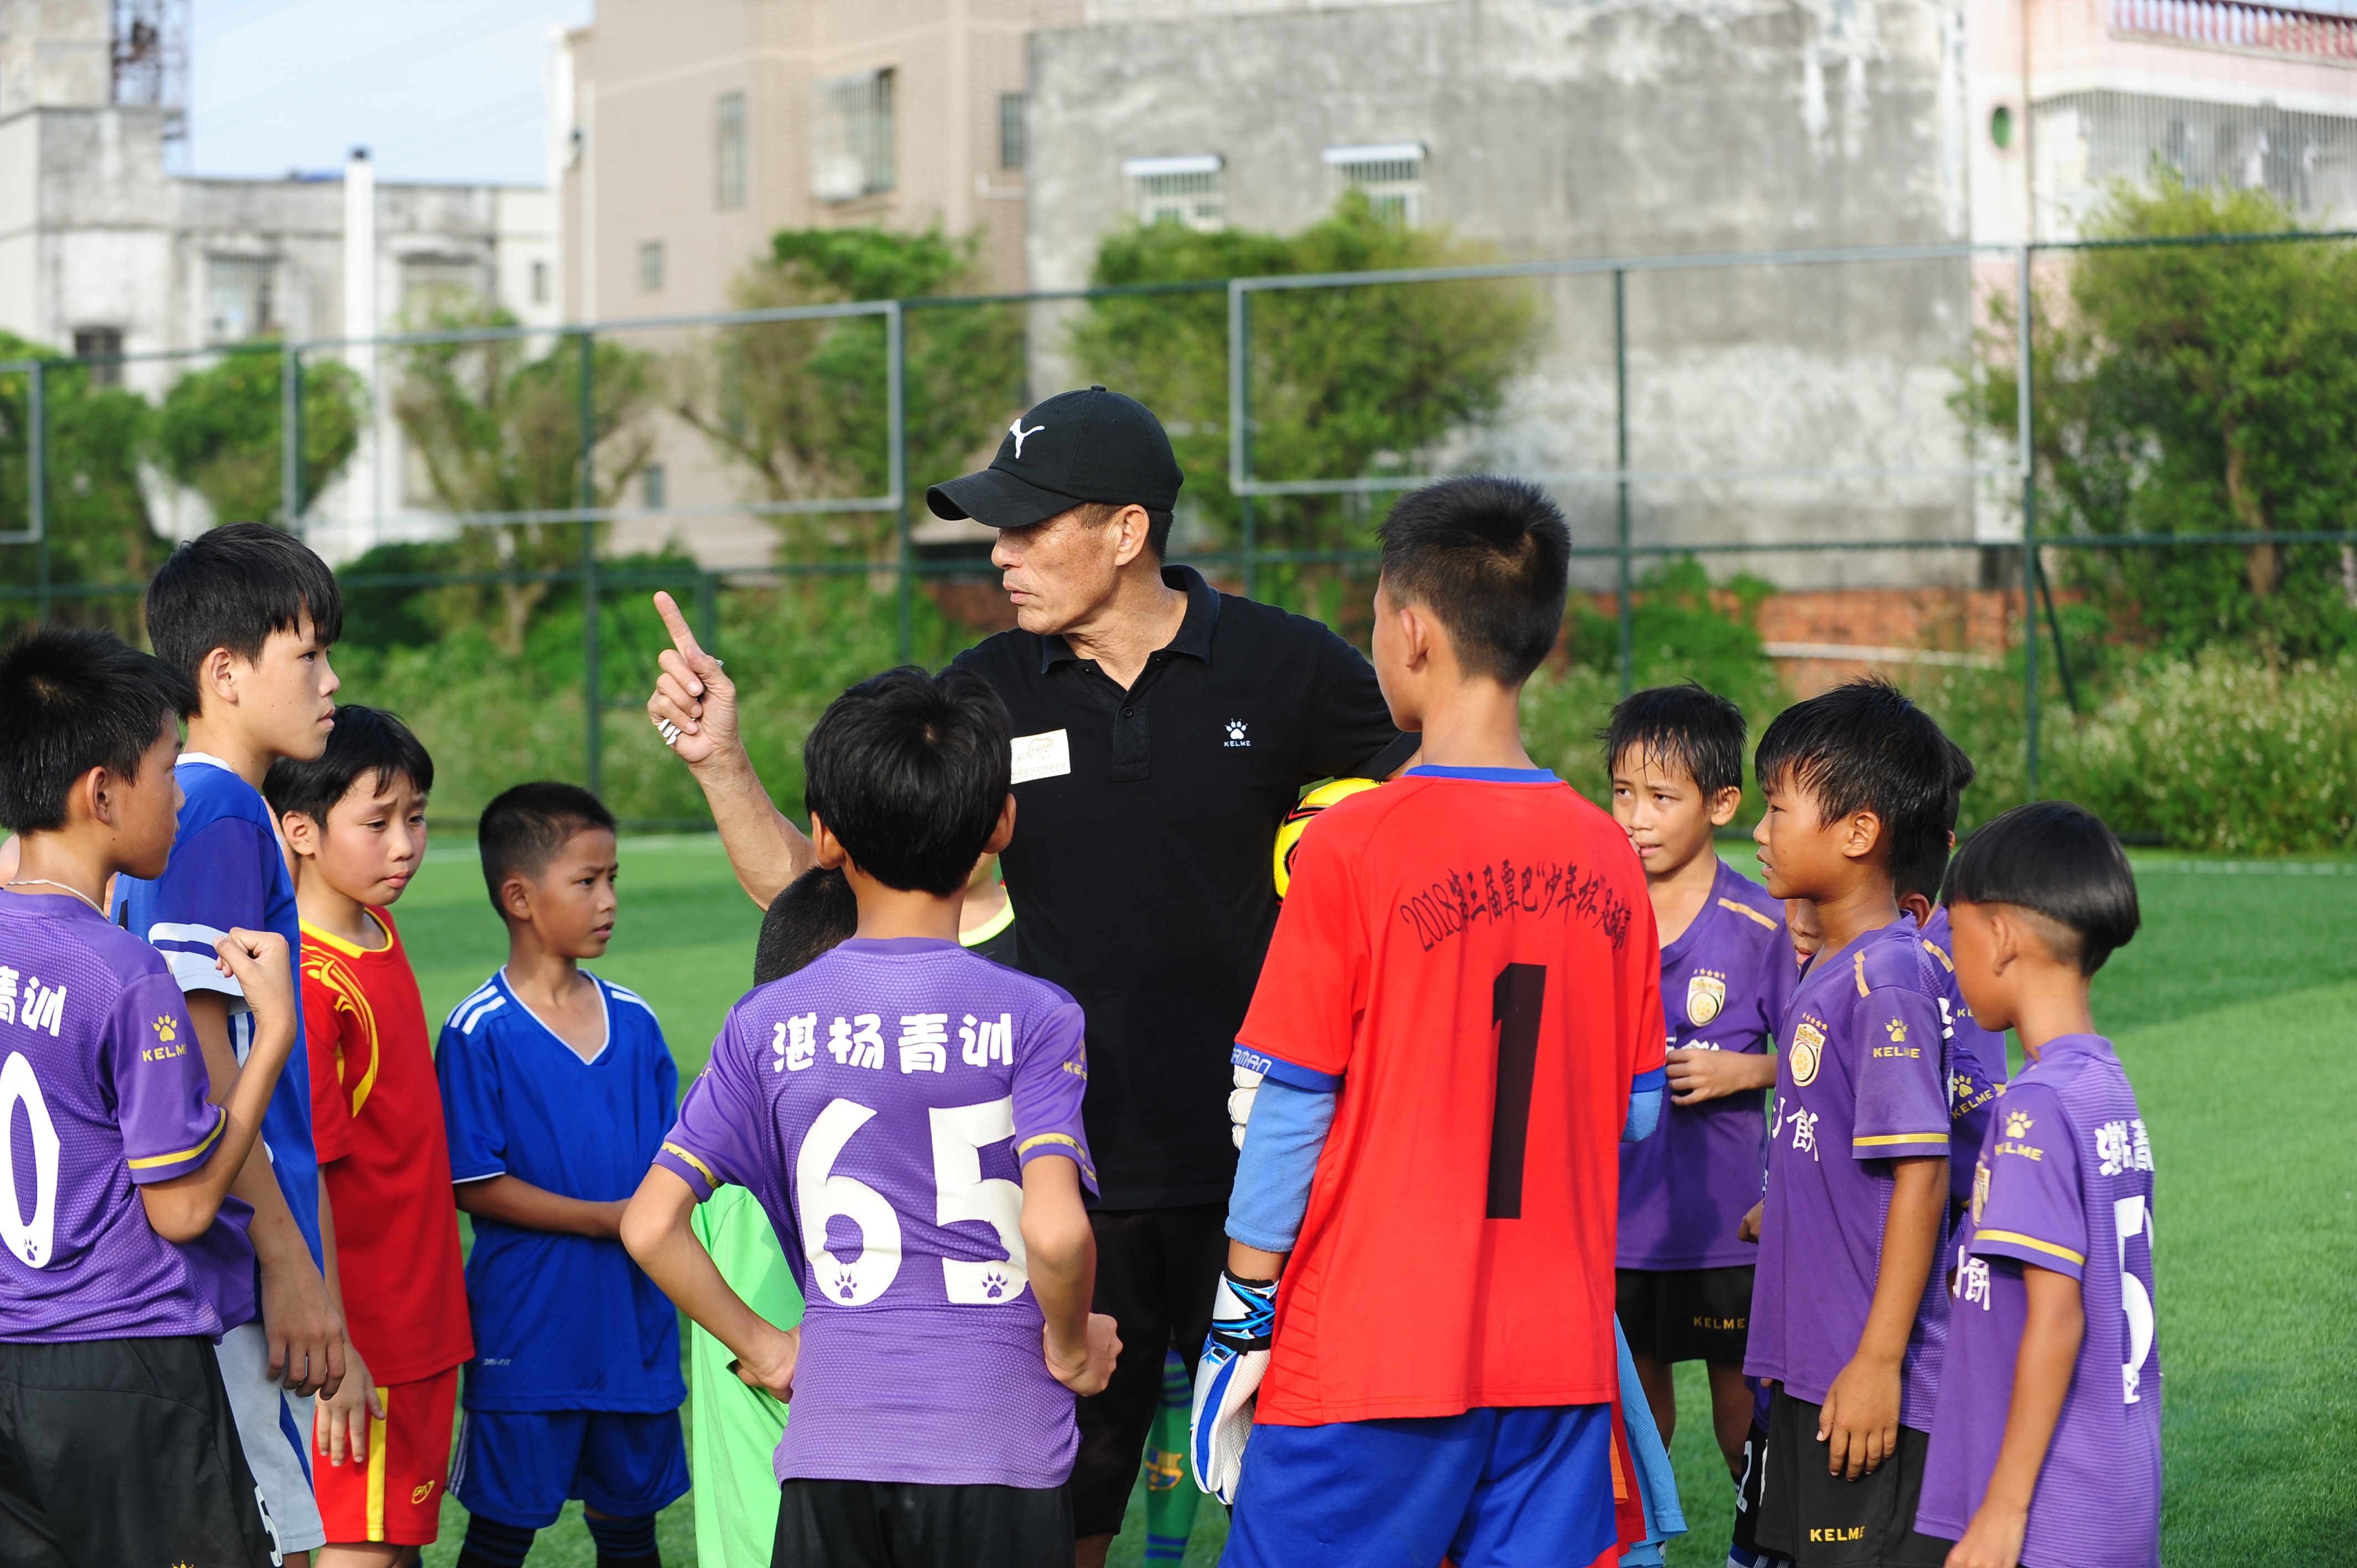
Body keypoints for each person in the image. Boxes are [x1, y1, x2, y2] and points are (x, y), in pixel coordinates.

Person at [644, 385, 1417, 1565]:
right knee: (1061, 1517)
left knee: (1316, 1497)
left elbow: (1426, 838)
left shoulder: (1291, 670)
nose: (998, 555)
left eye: (1026, 527)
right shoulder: (982, 690)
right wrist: (720, 764)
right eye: (992, 530)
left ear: (1125, 531)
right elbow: (829, 898)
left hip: (1273, 1171)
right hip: (1059, 1179)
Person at [1190, 477, 1665, 1566]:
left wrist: (1241, 1310)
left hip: (1368, 1344)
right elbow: (1637, 1113)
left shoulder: (1358, 843)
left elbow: (1287, 1105)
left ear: (1410, 631)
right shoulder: (1608, 852)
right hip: (1557, 1355)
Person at [622, 666, 1120, 1568]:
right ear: (999, 823)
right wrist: (1072, 1342)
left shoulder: (766, 1020)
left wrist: (769, 1348)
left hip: (834, 1443)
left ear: (822, 836)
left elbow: (650, 1223)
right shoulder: (1038, 1015)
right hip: (999, 1441)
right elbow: (1054, 1232)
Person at [0, 627, 295, 1563]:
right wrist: (270, 1040)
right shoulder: (124, 972)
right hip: (126, 1367)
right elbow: (185, 1206)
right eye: (168, 768)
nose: (177, 794)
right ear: (101, 792)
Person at [114, 522, 351, 1566]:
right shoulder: (211, 810)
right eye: (307, 654)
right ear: (225, 671)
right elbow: (201, 1051)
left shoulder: (202, 803)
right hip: (226, 1270)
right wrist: (288, 1262)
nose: (332, 680)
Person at [437, 784, 686, 1568]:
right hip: (528, 1333)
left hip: (632, 1328)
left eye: (613, 879)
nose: (609, 900)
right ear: (520, 896)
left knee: (630, 1528)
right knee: (504, 1533)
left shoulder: (638, 1022)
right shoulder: (477, 1031)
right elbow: (473, 1185)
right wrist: (611, 1219)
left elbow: (671, 1166)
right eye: (588, 882)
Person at [1743, 678, 1960, 1568]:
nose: (1758, 832)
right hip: (1810, 1367)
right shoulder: (1832, 969)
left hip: (1863, 1378)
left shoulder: (1889, 979)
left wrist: (1876, 1364)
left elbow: (1923, 1170)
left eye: (1776, 808)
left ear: (1859, 833)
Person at [1914, 802, 2156, 1568]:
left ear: (2003, 937)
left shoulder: (2036, 1104)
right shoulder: (2103, 1084)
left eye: (1955, 933)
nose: (1950, 957)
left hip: (2053, 1502)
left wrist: (2003, 1510)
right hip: (2113, 1479)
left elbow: (2057, 1317)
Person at [265, 706, 472, 1565]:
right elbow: (303, 1175)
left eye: (416, 818)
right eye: (377, 822)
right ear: (302, 832)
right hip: (365, 1344)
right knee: (359, 1550)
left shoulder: (377, 933)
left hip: (422, 1324)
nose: (405, 845)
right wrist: (339, 1349)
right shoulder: (312, 984)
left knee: (394, 1545)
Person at [1603, 683, 1794, 1488]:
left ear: (1720, 804)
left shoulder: (1763, 923)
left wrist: (1742, 1070)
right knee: (1635, 1420)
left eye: (1659, 797)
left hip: (1726, 1226)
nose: (1635, 818)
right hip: (1617, 1221)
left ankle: (1762, 1543)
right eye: (1620, 792)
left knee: (1741, 1415)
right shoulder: (1593, 911)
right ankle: (1638, 1544)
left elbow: (1819, 1055)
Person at [689, 866, 849, 1567]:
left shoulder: (722, 1099)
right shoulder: (805, 1131)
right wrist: (767, 1348)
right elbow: (650, 1228)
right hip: (792, 1525)